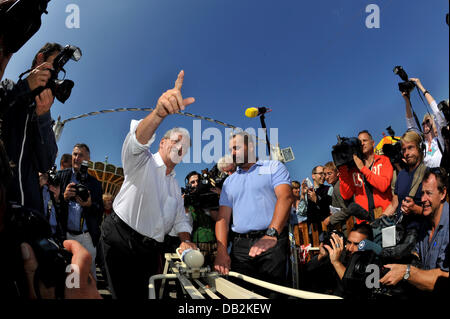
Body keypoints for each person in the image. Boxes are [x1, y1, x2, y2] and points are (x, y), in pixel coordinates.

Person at [99, 70, 197, 299]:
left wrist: (185, 241)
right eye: (176, 143)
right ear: (162, 143)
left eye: (184, 150)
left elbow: (181, 220)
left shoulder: (175, 187)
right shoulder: (141, 162)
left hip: (150, 252)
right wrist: (159, 113)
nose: (179, 150)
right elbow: (136, 142)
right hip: (119, 242)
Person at [214, 131, 293, 297]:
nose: (233, 153)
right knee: (240, 296)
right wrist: (221, 251)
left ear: (249, 146)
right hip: (240, 248)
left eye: (236, 148)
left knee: (272, 294)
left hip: (272, 242)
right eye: (231, 150)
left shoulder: (273, 167)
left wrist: (271, 234)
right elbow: (222, 219)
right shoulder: (229, 181)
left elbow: (285, 197)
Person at [0, 42, 60, 215]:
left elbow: (46, 163)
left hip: (31, 212)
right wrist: (25, 87)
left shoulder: (42, 107)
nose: (55, 73)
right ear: (40, 59)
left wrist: (43, 116)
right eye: (54, 65)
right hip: (4, 207)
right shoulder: (9, 87)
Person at [379, 168, 449, 291]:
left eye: (429, 193)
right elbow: (417, 255)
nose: (423, 199)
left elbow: (445, 278)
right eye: (422, 193)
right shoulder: (426, 223)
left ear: (443, 193)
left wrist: (406, 272)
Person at [56, 143, 103, 280]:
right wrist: (63, 198)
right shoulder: (62, 177)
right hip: (67, 235)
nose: (76, 158)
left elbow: (100, 209)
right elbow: (52, 206)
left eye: (80, 155)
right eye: (74, 154)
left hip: (87, 237)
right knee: (72, 277)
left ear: (87, 159)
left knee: (89, 276)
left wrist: (89, 204)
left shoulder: (95, 183)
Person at [339, 130, 393, 223]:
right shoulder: (354, 169)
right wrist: (342, 169)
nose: (362, 144)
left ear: (373, 143)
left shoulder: (384, 160)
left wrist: (362, 168)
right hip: (364, 221)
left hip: (385, 216)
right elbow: (346, 195)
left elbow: (383, 185)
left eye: (365, 140)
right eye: (360, 142)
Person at [305, 223, 373, 297]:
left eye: (357, 244)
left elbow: (354, 287)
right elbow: (308, 270)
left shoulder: (372, 263)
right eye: (349, 242)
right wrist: (321, 256)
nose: (350, 248)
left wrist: (336, 263)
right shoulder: (341, 255)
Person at [402, 78, 446, 168]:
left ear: (434, 124)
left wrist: (421, 87)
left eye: (428, 121)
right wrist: (407, 101)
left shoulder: (440, 141)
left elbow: (437, 113)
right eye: (423, 123)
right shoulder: (422, 146)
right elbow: (411, 125)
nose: (425, 125)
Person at [184, 171, 219, 267]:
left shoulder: (210, 195)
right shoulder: (187, 200)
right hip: (197, 244)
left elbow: (218, 219)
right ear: (188, 184)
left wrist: (209, 206)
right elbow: (185, 224)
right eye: (192, 182)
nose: (195, 184)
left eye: (198, 181)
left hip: (216, 243)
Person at [322, 161, 353, 233]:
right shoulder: (337, 186)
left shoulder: (338, 187)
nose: (326, 177)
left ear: (338, 173)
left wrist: (330, 219)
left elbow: (347, 210)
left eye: (329, 173)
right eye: (325, 174)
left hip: (349, 226)